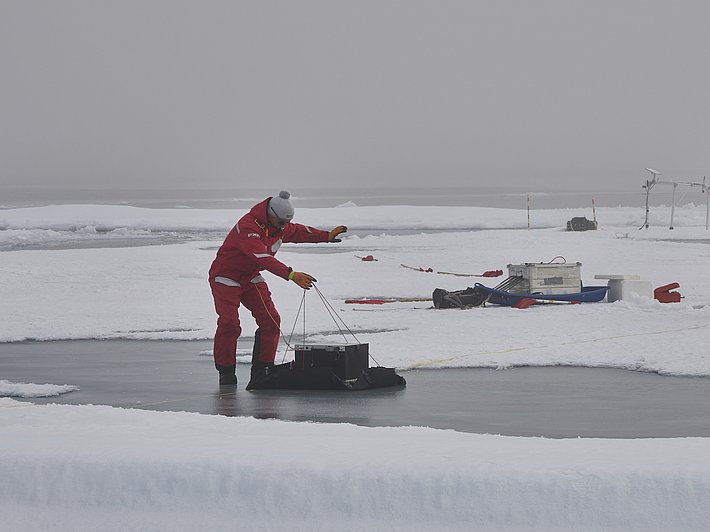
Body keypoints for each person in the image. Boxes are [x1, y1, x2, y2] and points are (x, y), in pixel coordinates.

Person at [209, 191, 347, 388]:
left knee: (271, 321)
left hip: (250, 277)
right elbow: (262, 257)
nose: (284, 227)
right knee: (230, 323)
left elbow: (299, 231)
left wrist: (326, 236)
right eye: (281, 222)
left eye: (285, 223)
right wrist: (291, 275)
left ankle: (263, 371)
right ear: (270, 215)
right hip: (226, 277)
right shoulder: (248, 226)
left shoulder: (278, 227)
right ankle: (226, 373)